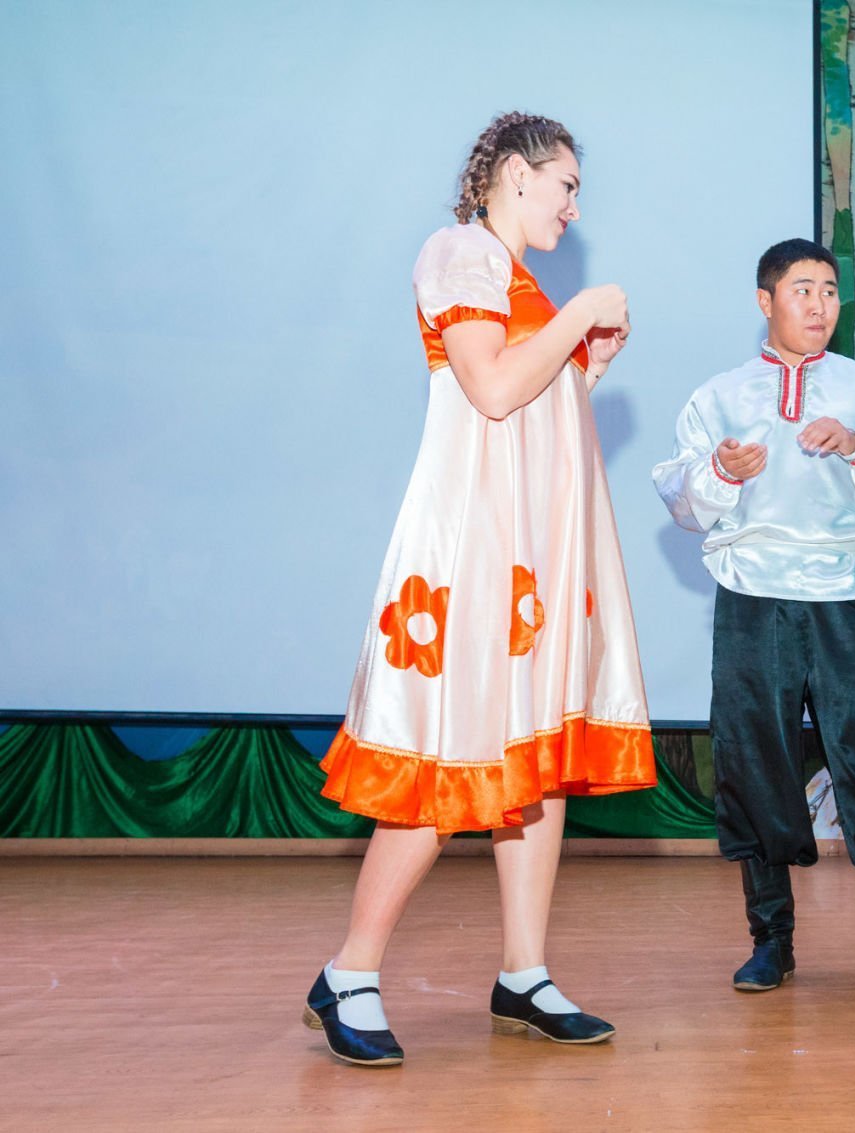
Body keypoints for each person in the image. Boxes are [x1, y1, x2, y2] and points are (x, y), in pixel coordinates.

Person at [303, 112, 656, 1067]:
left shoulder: (520, 279)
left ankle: (523, 974)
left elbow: (525, 416)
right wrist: (580, 318)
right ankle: (350, 973)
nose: (574, 207)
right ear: (513, 172)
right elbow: (491, 390)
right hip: (472, 549)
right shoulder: (461, 252)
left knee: (532, 765)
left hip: (526, 557)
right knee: (447, 759)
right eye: (566, 184)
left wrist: (586, 369)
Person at [652, 238, 855, 998]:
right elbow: (681, 498)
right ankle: (770, 942)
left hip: (848, 592)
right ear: (765, 301)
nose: (820, 304)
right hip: (752, 593)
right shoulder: (718, 396)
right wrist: (719, 471)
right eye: (802, 289)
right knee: (755, 761)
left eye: (830, 290)